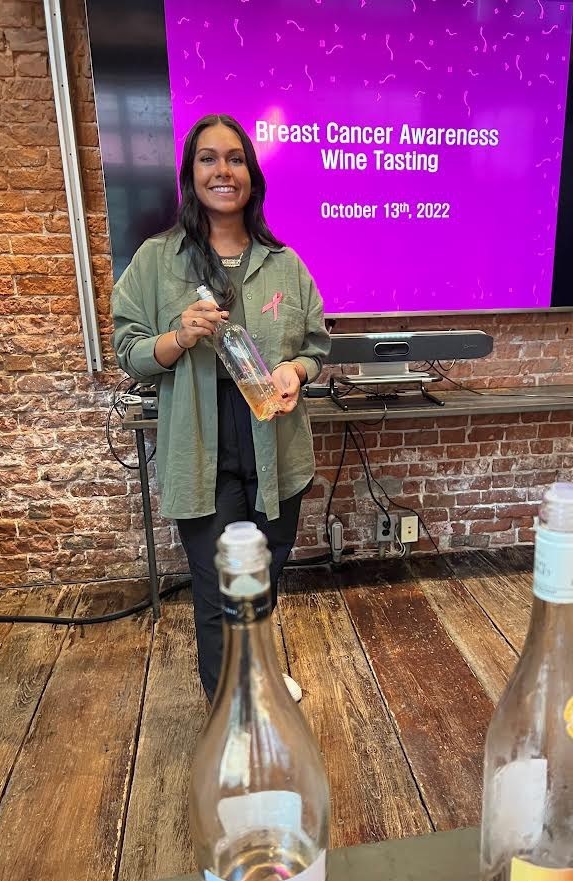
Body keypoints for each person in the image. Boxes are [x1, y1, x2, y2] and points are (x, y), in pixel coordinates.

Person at [111, 113, 330, 704]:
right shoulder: (157, 261)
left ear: (251, 177)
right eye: (208, 159)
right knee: (215, 589)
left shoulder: (283, 263)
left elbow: (315, 347)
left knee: (262, 575)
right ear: (190, 175)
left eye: (234, 158)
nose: (222, 170)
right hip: (199, 447)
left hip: (275, 444)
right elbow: (128, 352)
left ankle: (256, 669)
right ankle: (231, 709)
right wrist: (179, 336)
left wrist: (296, 371)